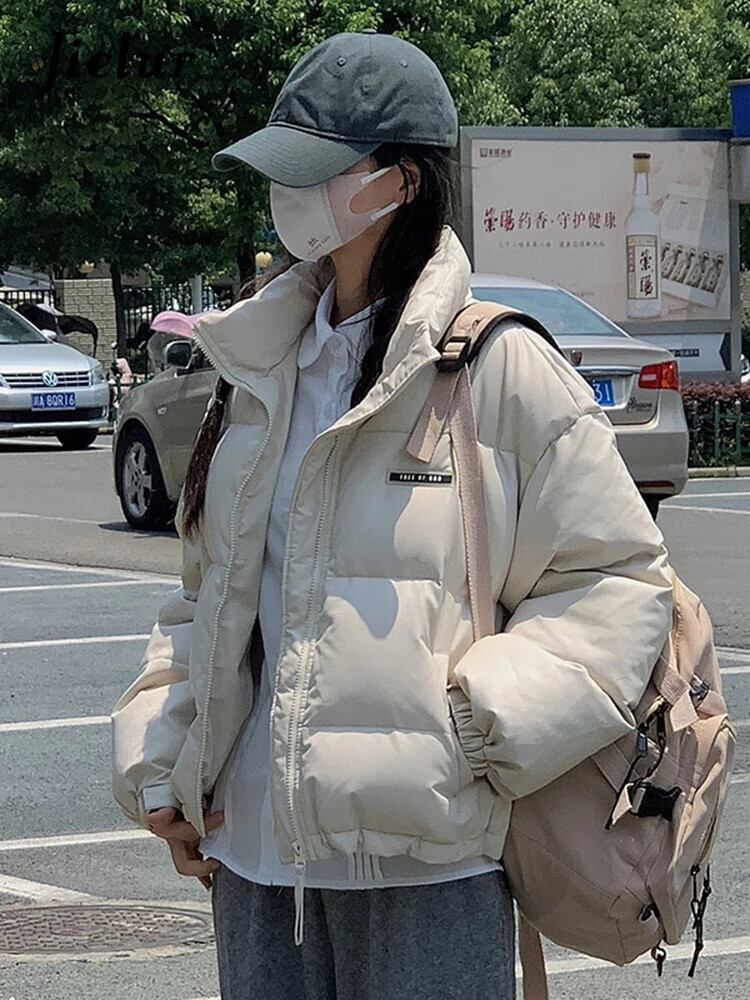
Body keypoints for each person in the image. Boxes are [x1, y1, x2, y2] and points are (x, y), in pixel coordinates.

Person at [111, 30, 674, 1000]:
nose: (288, 193)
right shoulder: (259, 370)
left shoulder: (496, 367)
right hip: (255, 862)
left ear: (402, 182)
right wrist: (166, 765)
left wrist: (478, 727)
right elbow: (207, 596)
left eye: (317, 169)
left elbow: (618, 579)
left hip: (430, 869)